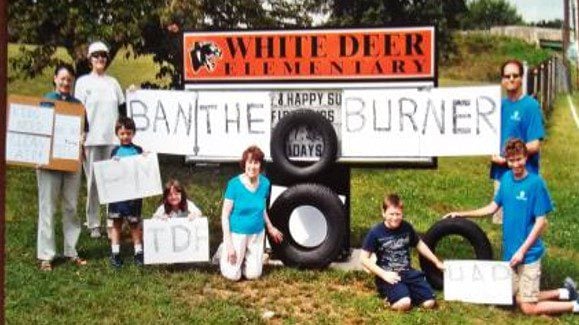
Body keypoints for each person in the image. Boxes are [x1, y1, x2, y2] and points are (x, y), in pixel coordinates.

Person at [445, 138, 579, 315]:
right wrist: (462, 214)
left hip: (528, 254)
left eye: (519, 159)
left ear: (526, 157)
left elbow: (541, 222)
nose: (516, 164)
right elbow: (492, 207)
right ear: (506, 161)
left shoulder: (535, 184)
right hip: (510, 253)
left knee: (527, 307)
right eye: (512, 160)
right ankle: (564, 292)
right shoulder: (506, 179)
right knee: (515, 297)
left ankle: (574, 305)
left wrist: (522, 251)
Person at [36, 64, 88, 271]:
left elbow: (85, 129)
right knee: (47, 206)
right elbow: (38, 130)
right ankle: (46, 255)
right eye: (63, 79)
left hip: (71, 161)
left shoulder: (78, 105)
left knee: (71, 206)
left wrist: (83, 137)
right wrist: (38, 154)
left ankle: (71, 250)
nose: (66, 83)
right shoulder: (47, 101)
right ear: (55, 79)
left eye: (69, 80)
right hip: (49, 162)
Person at [74, 41, 126, 238]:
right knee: (93, 183)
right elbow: (79, 111)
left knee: (111, 181)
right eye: (96, 56)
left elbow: (123, 108)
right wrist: (81, 135)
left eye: (103, 55)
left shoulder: (113, 83)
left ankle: (111, 221)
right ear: (90, 59)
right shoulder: (82, 83)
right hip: (92, 140)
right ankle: (94, 223)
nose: (100, 59)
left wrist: (133, 92)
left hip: (112, 140)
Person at [360, 193, 444, 311]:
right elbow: (363, 258)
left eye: (398, 214)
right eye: (391, 214)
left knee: (429, 303)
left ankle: (405, 293)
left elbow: (420, 245)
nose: (395, 218)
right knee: (404, 303)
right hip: (389, 276)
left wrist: (436, 262)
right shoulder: (375, 232)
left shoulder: (406, 227)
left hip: (408, 272)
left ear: (402, 213)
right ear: (383, 213)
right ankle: (393, 299)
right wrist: (383, 274)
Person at [490, 59, 545, 223]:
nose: (511, 79)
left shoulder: (530, 106)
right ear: (502, 80)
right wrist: (492, 154)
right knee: (506, 226)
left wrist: (508, 158)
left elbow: (534, 144)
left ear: (522, 78)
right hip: (502, 176)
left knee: (524, 224)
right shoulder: (498, 106)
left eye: (515, 75)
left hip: (524, 176)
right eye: (507, 76)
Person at [219, 145, 283, 281]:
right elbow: (225, 215)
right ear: (244, 164)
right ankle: (224, 250)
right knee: (232, 276)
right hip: (237, 233)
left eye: (256, 163)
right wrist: (229, 243)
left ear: (260, 165)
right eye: (249, 162)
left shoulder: (265, 183)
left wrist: (270, 227)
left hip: (256, 234)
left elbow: (262, 208)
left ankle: (247, 259)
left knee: (253, 275)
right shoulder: (234, 184)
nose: (252, 166)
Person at [108, 117, 144, 268]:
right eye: (122, 133)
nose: (125, 136)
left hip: (133, 195)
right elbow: (109, 171)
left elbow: (143, 169)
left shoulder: (138, 150)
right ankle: (115, 253)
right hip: (117, 195)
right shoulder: (114, 151)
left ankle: (138, 253)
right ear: (117, 134)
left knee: (134, 224)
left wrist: (146, 159)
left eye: (128, 133)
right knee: (116, 223)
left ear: (133, 133)